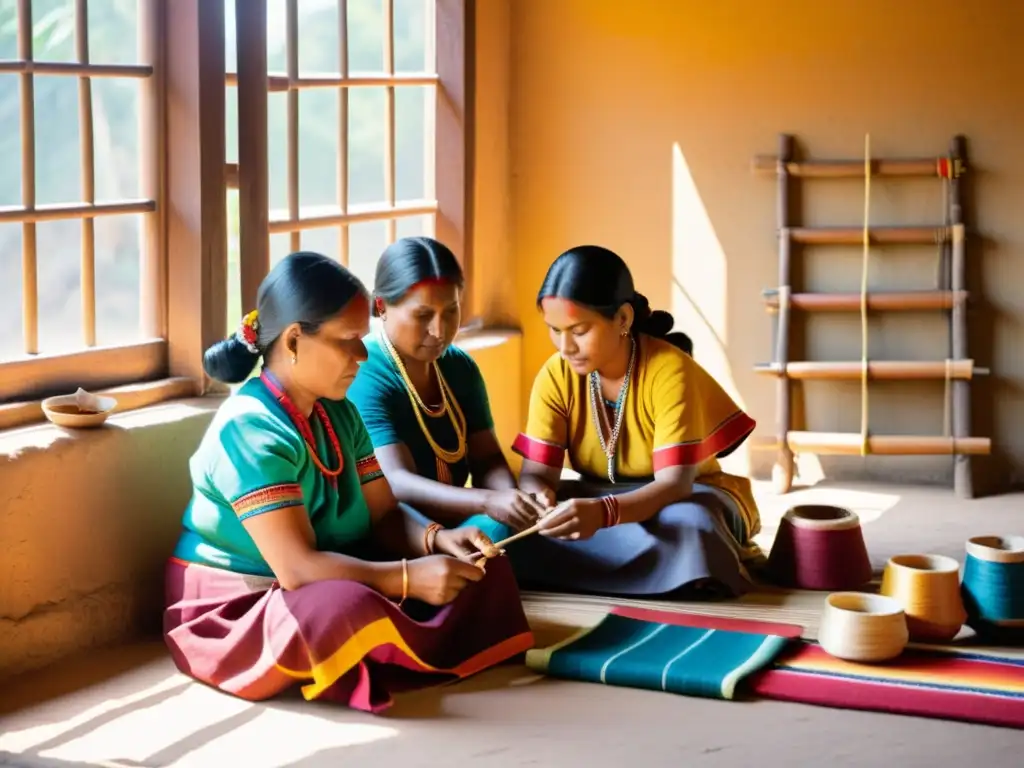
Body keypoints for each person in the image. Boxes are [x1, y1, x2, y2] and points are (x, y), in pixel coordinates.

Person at [163, 251, 533, 715]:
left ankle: (390, 647)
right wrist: (405, 579)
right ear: (295, 340)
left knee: (483, 567)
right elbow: (296, 569)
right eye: (350, 340)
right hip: (248, 603)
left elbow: (384, 514)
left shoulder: (338, 411)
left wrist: (438, 539)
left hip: (331, 572)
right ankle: (396, 645)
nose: (363, 354)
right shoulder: (249, 428)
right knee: (345, 607)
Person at [510, 245, 764, 598]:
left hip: (686, 496)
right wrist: (541, 505)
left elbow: (675, 484)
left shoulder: (669, 370)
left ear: (623, 320)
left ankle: (630, 570)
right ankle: (661, 577)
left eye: (579, 330)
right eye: (554, 330)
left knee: (692, 526)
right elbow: (537, 474)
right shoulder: (555, 374)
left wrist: (603, 515)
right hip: (598, 495)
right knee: (511, 520)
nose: (564, 346)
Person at [347, 236, 548, 540]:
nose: (440, 331)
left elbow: (487, 459)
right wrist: (489, 502)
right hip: (401, 529)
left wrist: (514, 501)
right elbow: (396, 482)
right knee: (496, 536)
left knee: (529, 529)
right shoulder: (365, 371)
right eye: (423, 315)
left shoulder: (459, 367)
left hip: (460, 520)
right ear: (381, 306)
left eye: (451, 311)